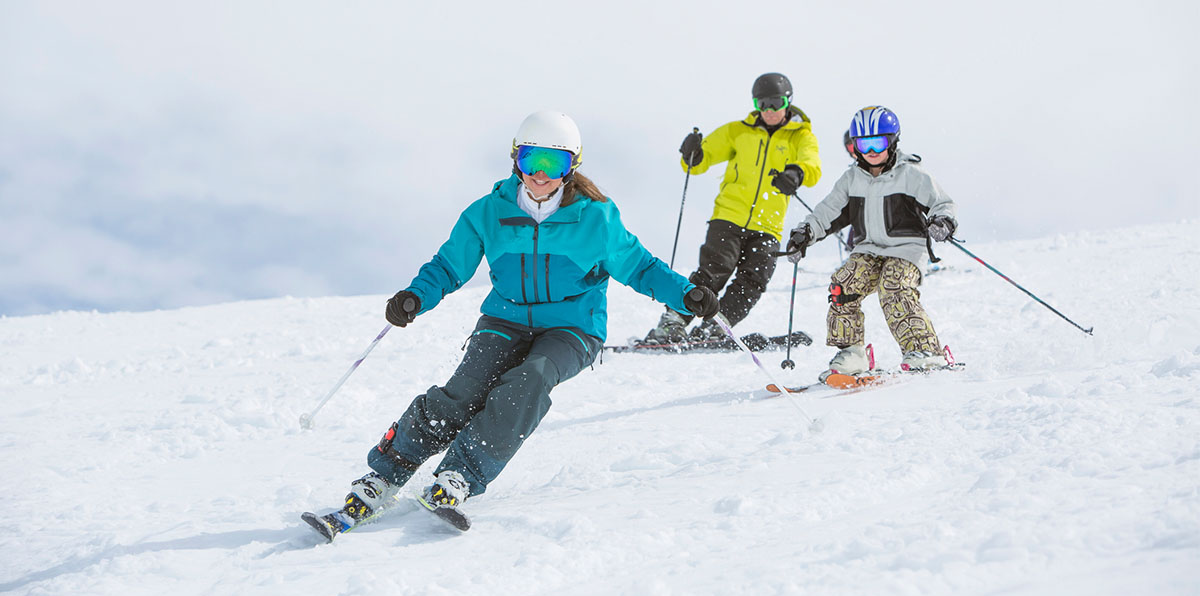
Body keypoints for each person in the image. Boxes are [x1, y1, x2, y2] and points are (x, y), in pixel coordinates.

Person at [305, 112, 719, 537]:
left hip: (573, 328)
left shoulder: (597, 218)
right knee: (463, 392)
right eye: (531, 160)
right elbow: (450, 264)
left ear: (571, 166)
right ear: (515, 160)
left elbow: (641, 267)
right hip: (504, 318)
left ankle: (459, 475)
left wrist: (685, 294)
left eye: (553, 164)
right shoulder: (488, 213)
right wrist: (415, 298)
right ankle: (384, 475)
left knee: (529, 380)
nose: (540, 174)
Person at [643, 72, 821, 344]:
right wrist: (693, 153)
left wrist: (796, 173)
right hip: (729, 216)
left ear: (788, 101)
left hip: (767, 224)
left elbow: (812, 166)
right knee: (714, 271)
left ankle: (716, 325)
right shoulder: (738, 131)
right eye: (763, 104)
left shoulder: (801, 137)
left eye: (776, 103)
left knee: (755, 278)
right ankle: (673, 321)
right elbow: (701, 160)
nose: (770, 110)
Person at [785, 106, 957, 381]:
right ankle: (852, 353)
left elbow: (942, 203)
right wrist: (804, 233)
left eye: (878, 142)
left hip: (906, 249)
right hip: (868, 249)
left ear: (893, 140)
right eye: (863, 144)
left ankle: (925, 351)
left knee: (895, 286)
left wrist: (943, 222)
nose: (871, 150)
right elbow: (827, 213)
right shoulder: (851, 179)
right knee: (844, 284)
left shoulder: (911, 174)